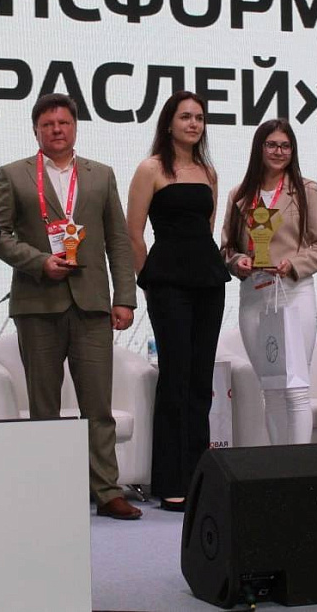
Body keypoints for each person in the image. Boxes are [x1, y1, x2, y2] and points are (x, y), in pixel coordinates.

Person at [0, 93, 141, 521]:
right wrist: (39, 261)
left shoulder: (100, 175)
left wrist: (124, 297)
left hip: (92, 304)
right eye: (47, 124)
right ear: (35, 130)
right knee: (44, 406)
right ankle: (50, 490)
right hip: (37, 303)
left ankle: (107, 491)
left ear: (75, 127)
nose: (56, 130)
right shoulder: (13, 174)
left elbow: (117, 239)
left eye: (63, 123)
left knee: (98, 406)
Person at [126, 91, 229, 512]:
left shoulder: (208, 171)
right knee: (175, 376)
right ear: (169, 123)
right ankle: (170, 480)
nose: (193, 124)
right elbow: (133, 233)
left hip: (208, 280)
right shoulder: (150, 168)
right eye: (186, 116)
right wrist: (148, 281)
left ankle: (198, 478)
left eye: (199, 118)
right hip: (167, 283)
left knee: (200, 379)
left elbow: (208, 227)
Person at [220, 119, 317, 446]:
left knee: (296, 387)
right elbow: (227, 248)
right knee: (270, 388)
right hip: (254, 296)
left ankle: (298, 466)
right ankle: (278, 464)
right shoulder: (240, 194)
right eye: (271, 144)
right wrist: (237, 262)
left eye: (286, 146)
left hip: (293, 294)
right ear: (259, 148)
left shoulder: (306, 190)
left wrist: (294, 264)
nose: (279, 151)